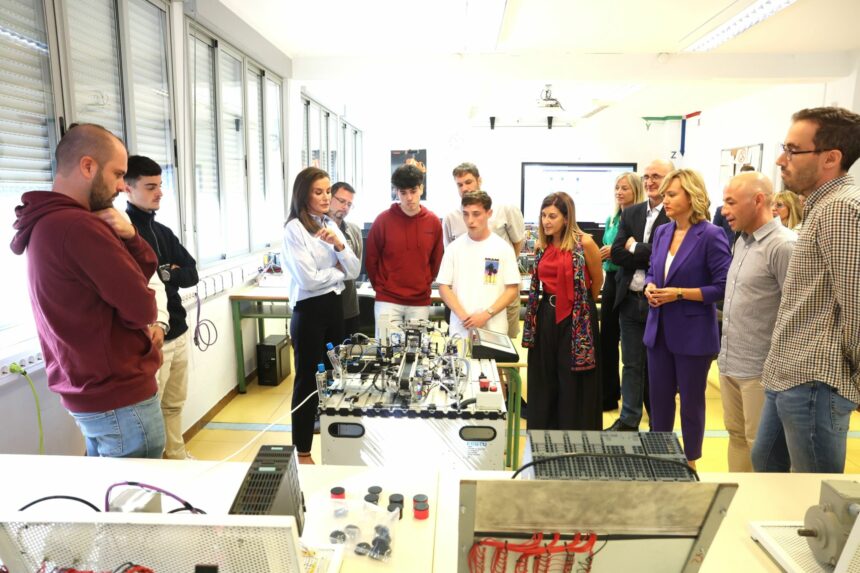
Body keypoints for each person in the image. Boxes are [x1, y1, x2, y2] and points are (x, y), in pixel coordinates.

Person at [10, 123, 165, 458]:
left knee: (108, 490)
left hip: (91, 394)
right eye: (117, 174)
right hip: (120, 397)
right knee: (134, 490)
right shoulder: (79, 227)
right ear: (88, 166)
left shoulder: (47, 223)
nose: (122, 186)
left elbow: (139, 273)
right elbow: (142, 308)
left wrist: (130, 236)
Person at [753, 106, 860, 474]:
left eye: (793, 150)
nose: (781, 160)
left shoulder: (840, 209)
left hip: (815, 379)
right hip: (789, 371)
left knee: (813, 489)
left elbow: (856, 304)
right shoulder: (821, 206)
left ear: (831, 158)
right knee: (766, 467)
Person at [643, 169, 732, 467]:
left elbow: (722, 286)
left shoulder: (711, 235)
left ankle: (691, 461)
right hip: (659, 330)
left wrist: (679, 293)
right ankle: (660, 459)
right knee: (659, 401)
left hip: (693, 334)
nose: (664, 200)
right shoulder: (662, 232)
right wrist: (650, 287)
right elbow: (653, 271)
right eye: (664, 195)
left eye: (671, 194)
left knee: (691, 404)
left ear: (691, 196)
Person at [718, 172, 795, 472]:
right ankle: (739, 495)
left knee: (761, 447)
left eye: (731, 202)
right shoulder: (742, 242)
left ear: (758, 200)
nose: (724, 210)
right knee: (736, 436)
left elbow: (795, 312)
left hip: (761, 370)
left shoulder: (783, 246)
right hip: (731, 362)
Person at [124, 155, 199, 460]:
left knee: (174, 404)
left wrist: (167, 273)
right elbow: (139, 284)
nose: (159, 193)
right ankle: (159, 468)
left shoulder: (163, 232)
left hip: (178, 329)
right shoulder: (124, 232)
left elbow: (191, 273)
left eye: (160, 185)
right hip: (152, 336)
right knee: (152, 411)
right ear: (127, 188)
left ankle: (177, 457)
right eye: (150, 187)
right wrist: (169, 270)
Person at [283, 167, 360, 464]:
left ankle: (335, 445)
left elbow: (354, 270)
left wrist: (339, 246)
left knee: (333, 378)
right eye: (319, 192)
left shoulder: (329, 224)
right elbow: (308, 280)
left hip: (334, 309)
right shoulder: (294, 230)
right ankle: (302, 451)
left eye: (328, 191)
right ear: (304, 195)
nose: (326, 197)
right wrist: (337, 271)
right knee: (307, 384)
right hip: (310, 313)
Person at [522, 192, 603, 430]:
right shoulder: (541, 245)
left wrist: (581, 305)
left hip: (578, 317)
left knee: (573, 378)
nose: (546, 221)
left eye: (552, 216)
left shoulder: (584, 244)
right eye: (543, 215)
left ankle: (575, 434)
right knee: (546, 376)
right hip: (546, 314)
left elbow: (596, 281)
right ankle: (545, 433)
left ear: (567, 218)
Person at [604, 160, 672, 432]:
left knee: (658, 366)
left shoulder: (675, 215)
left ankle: (658, 423)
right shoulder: (631, 213)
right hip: (630, 300)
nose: (650, 181)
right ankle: (629, 419)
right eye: (646, 176)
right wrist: (644, 250)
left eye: (656, 176)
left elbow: (667, 257)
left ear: (671, 179)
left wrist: (636, 248)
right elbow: (617, 253)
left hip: (660, 302)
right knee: (631, 364)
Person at [444, 162, 525, 338]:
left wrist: (504, 267)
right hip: (464, 304)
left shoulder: (505, 210)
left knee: (505, 347)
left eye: (468, 182)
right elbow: (447, 278)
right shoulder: (451, 219)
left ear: (479, 180)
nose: (465, 188)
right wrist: (465, 316)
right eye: (460, 184)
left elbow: (518, 241)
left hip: (499, 292)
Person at [365, 164, 443, 339]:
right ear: (396, 192)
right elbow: (371, 258)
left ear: (421, 189)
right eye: (403, 192)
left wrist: (424, 282)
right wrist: (382, 286)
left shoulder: (433, 222)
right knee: (385, 349)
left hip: (419, 300)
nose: (409, 197)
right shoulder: (383, 220)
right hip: (387, 299)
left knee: (417, 351)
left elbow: (436, 259)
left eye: (413, 191)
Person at [599, 172, 644, 411]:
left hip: (627, 279)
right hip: (610, 280)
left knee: (630, 344)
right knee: (606, 337)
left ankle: (635, 398)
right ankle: (608, 393)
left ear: (635, 190)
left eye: (625, 188)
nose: (619, 192)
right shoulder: (612, 218)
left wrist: (615, 252)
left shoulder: (639, 219)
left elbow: (633, 253)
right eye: (617, 187)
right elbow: (616, 248)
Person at [327, 182, 362, 337]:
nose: (345, 207)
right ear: (329, 197)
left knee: (350, 351)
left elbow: (354, 270)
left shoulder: (353, 231)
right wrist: (342, 267)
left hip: (349, 308)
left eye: (349, 204)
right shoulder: (316, 229)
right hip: (324, 307)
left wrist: (343, 268)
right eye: (341, 201)